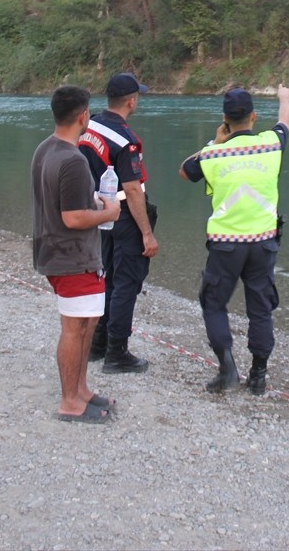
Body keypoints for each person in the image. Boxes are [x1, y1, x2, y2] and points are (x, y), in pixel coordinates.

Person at [178, 85, 289, 395]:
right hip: (264, 243)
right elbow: (285, 123)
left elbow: (184, 172)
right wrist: (284, 97)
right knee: (260, 309)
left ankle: (227, 366)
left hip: (226, 245)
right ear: (254, 116)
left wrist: (216, 140)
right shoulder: (271, 145)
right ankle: (258, 376)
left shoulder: (213, 154)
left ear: (225, 120)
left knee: (213, 303)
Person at [31, 85, 122, 423]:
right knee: (74, 329)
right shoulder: (73, 160)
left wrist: (93, 202)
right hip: (73, 256)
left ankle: (81, 390)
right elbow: (72, 218)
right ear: (83, 115)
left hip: (54, 251)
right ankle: (70, 401)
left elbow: (59, 203)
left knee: (86, 325)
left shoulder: (45, 148)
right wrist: (108, 213)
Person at [78, 72, 159, 374]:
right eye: (137, 95)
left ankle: (98, 344)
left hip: (97, 211)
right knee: (127, 282)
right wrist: (147, 234)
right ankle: (117, 353)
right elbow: (134, 189)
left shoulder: (90, 125)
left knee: (107, 278)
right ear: (130, 100)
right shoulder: (126, 140)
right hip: (123, 214)